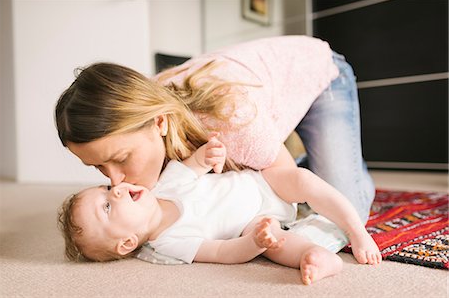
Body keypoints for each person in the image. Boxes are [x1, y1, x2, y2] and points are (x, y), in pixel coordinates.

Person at [55, 35, 375, 225]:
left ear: (160, 123)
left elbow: (287, 187)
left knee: (346, 210)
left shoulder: (230, 118)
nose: (114, 181)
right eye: (98, 166)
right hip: (254, 97)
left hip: (317, 71)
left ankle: (342, 163)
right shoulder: (142, 113)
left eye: (121, 158)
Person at [58, 133, 381, 285]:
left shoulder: (165, 185)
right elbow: (224, 252)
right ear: (128, 241)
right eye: (106, 206)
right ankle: (320, 259)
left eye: (105, 189)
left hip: (265, 183)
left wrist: (208, 154)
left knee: (303, 178)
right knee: (279, 248)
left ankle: (356, 230)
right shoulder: (170, 243)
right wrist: (255, 240)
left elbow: (196, 164)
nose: (115, 189)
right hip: (254, 221)